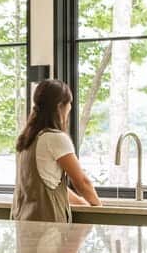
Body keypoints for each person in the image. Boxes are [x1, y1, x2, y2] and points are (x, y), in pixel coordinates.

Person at [11, 79, 101, 222]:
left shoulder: (28, 139)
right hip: (47, 226)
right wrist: (99, 210)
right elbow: (82, 182)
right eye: (69, 103)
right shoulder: (55, 138)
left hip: (24, 221)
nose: (70, 107)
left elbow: (52, 185)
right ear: (60, 106)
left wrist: (82, 203)